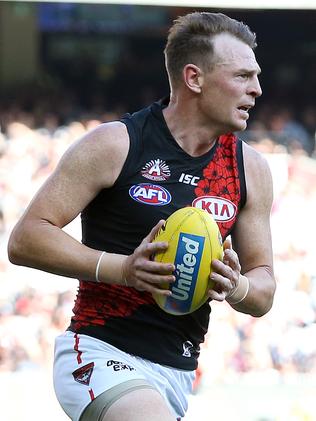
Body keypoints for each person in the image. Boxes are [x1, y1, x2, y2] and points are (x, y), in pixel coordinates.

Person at [8, 11, 276, 421]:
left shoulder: (249, 169)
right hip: (100, 351)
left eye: (255, 76)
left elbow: (263, 291)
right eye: (242, 76)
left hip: (178, 371)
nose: (256, 89)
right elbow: (25, 238)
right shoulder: (116, 144)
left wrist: (236, 285)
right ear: (194, 78)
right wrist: (123, 269)